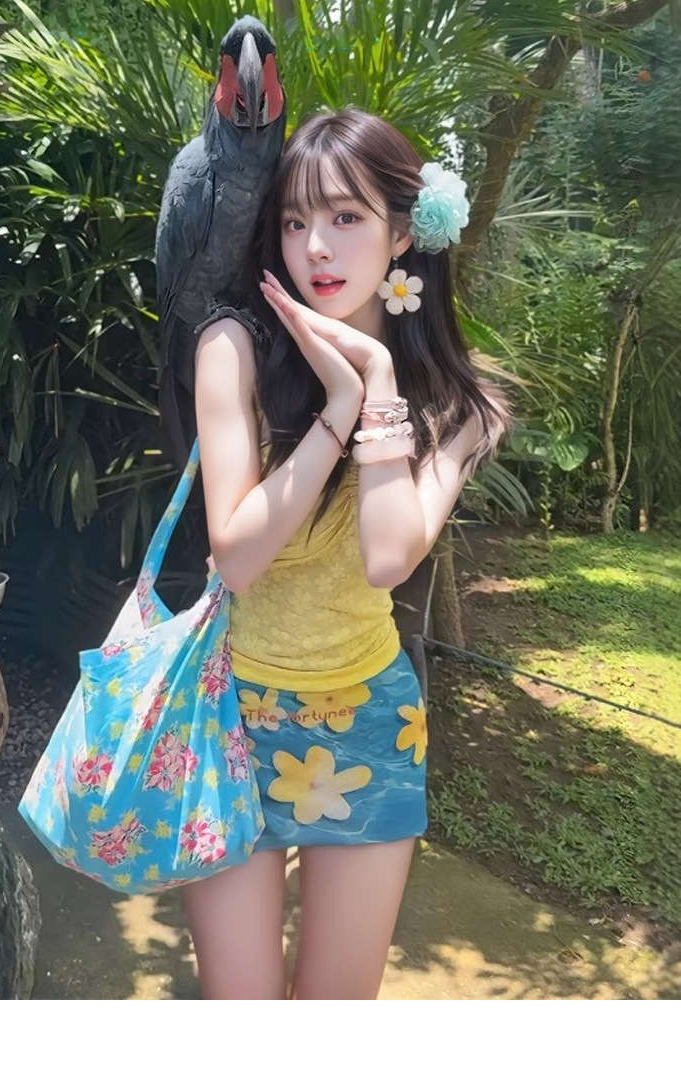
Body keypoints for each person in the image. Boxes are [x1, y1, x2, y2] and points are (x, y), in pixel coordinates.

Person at [183, 108, 510, 1000]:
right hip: (226, 718)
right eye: (295, 221)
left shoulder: (461, 404)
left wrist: (379, 382)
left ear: (404, 234)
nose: (315, 247)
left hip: (371, 720)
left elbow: (387, 557)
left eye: (346, 217)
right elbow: (237, 556)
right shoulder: (234, 348)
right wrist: (337, 406)